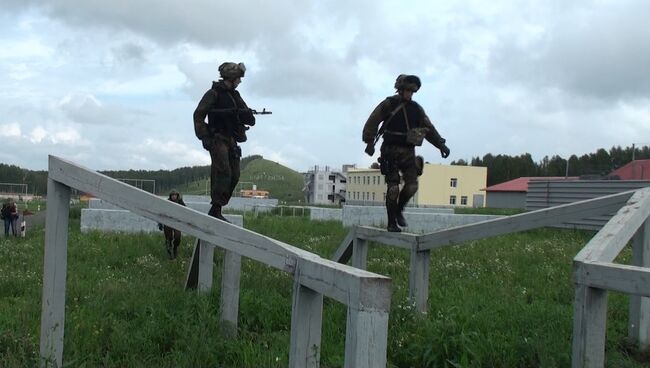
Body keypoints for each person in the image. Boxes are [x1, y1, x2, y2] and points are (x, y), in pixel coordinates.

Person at [362, 74, 450, 232]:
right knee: (393, 188)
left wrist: (441, 146)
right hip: (390, 151)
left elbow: (428, 129)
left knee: (412, 186)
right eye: (407, 90)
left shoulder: (416, 109)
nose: (410, 94)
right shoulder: (389, 104)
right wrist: (369, 142)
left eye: (412, 91)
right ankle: (391, 223)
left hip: (408, 152)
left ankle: (398, 211)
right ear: (400, 90)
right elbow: (373, 121)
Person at [193, 62, 255, 222]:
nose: (240, 82)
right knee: (223, 172)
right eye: (238, 79)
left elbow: (248, 116)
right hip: (218, 138)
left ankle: (218, 207)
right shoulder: (213, 94)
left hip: (232, 140)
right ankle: (216, 208)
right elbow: (199, 115)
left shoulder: (235, 96)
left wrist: (247, 115)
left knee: (235, 175)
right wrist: (204, 136)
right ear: (232, 78)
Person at [158, 190, 186, 259]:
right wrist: (160, 223)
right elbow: (162, 213)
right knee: (168, 238)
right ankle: (169, 250)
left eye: (175, 195)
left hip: (177, 222)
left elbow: (185, 212)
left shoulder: (180, 202)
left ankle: (175, 248)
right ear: (170, 196)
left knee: (178, 237)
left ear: (177, 195)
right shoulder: (167, 202)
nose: (174, 196)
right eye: (172, 195)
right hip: (168, 222)